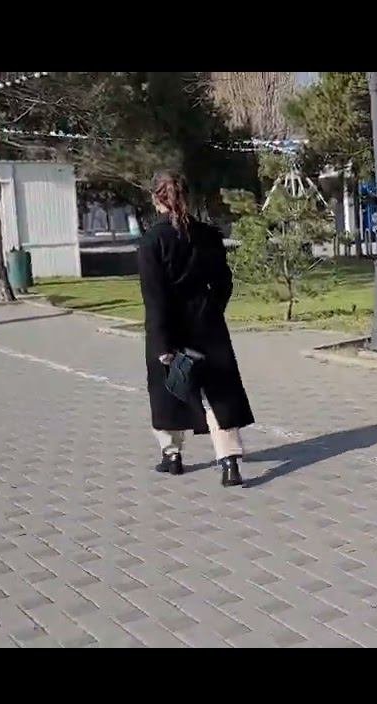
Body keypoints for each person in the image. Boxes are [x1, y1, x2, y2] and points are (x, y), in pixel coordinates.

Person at [137, 170, 255, 487]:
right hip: (207, 325)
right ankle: (229, 461)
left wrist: (162, 343)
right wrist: (212, 310)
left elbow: (155, 298)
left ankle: (172, 455)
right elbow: (224, 282)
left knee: (168, 390)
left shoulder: (152, 241)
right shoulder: (208, 235)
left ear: (155, 198)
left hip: (169, 328)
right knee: (219, 392)